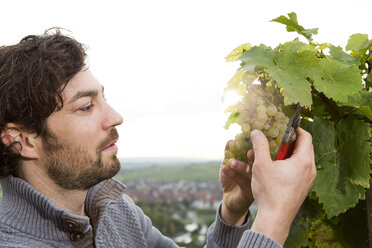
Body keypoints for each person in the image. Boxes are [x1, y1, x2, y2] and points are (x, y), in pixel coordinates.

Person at [0, 29, 316, 248]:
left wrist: (231, 214)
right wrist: (273, 219)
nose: (115, 117)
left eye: (104, 98)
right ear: (21, 141)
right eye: (86, 107)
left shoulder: (113, 210)